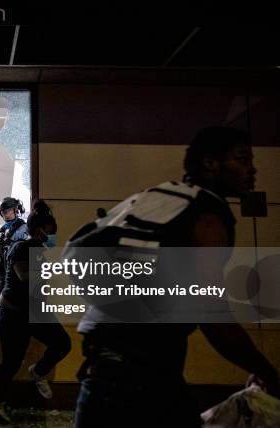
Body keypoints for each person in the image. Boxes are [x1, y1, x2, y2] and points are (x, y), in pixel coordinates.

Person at [72, 127, 279, 428]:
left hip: (103, 371)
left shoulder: (153, 199)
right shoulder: (207, 217)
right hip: (144, 381)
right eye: (242, 159)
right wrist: (267, 373)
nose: (252, 168)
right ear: (210, 163)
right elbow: (213, 315)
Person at [0, 200, 71, 419]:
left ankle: (39, 371)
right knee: (11, 363)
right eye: (49, 233)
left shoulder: (41, 249)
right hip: (13, 315)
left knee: (63, 343)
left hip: (34, 312)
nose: (51, 238)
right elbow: (24, 276)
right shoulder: (21, 247)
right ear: (38, 230)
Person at [0, 197, 29, 294]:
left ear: (16, 210)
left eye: (8, 211)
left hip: (15, 273)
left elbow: (17, 248)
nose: (5, 215)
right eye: (3, 212)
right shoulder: (4, 228)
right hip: (3, 273)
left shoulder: (23, 227)